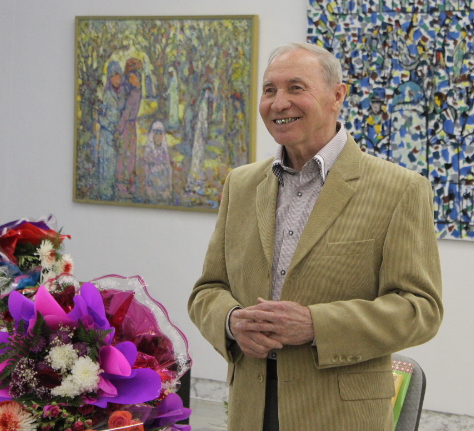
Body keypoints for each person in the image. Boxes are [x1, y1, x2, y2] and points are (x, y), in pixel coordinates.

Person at [188, 42, 443, 430]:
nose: (279, 103)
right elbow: (208, 290)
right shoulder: (240, 184)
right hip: (250, 408)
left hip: (339, 417)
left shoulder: (400, 189)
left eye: (295, 88)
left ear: (337, 96)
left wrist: (316, 325)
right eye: (269, 90)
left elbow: (420, 309)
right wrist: (231, 321)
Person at [116, 58, 143, 200]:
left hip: (131, 125)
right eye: (132, 76)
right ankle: (121, 183)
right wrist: (119, 129)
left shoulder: (137, 91)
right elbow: (125, 113)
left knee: (131, 154)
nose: (135, 79)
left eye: (136, 76)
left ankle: (130, 182)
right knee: (124, 154)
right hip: (126, 125)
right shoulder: (128, 92)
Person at [98, 60, 124, 200]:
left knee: (114, 165)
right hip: (106, 136)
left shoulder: (121, 94)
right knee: (106, 164)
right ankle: (104, 194)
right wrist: (110, 126)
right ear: (109, 78)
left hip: (116, 136)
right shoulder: (107, 95)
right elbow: (100, 116)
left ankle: (112, 194)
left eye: (118, 75)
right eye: (113, 76)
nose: (116, 79)